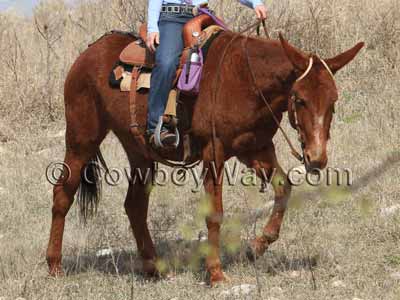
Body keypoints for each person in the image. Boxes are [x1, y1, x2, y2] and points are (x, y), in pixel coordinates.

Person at [146, 0, 267, 147]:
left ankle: (221, 123)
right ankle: (155, 126)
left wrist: (256, 4)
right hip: (172, 17)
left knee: (225, 60)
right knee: (167, 63)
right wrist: (152, 27)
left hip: (202, 17)